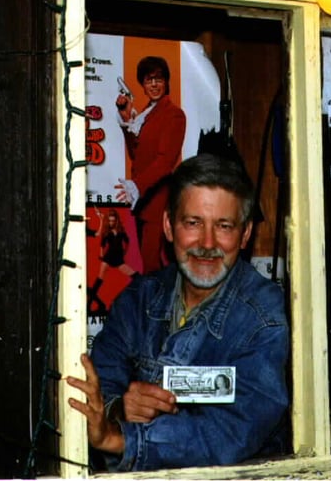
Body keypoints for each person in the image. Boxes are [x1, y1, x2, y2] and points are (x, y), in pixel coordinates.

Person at [66, 153, 289, 471]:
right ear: (169, 226)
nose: (207, 243)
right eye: (193, 223)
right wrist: (119, 410)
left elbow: (233, 432)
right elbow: (99, 387)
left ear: (246, 234)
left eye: (224, 226)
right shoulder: (137, 300)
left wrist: (120, 439)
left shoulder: (262, 314)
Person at [114, 56, 187, 274]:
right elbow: (136, 154)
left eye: (158, 79)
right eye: (148, 80)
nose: (154, 84)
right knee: (149, 264)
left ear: (166, 82)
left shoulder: (173, 115)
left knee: (153, 265)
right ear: (143, 85)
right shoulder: (146, 114)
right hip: (144, 202)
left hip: (158, 200)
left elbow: (165, 161)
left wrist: (136, 185)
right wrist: (126, 121)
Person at [88, 207, 137, 314]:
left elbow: (127, 242)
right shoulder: (107, 232)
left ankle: (136, 299)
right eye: (110, 220)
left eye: (113, 220)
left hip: (118, 257)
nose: (111, 223)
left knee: (135, 276)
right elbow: (102, 244)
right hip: (108, 256)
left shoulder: (121, 231)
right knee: (99, 280)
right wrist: (101, 255)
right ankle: (89, 303)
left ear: (116, 220)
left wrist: (124, 252)